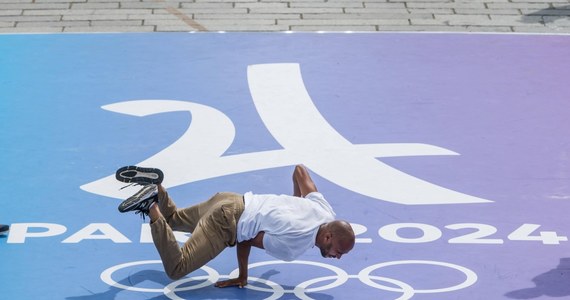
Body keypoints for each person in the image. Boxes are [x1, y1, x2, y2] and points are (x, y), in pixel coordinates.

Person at [116, 164, 355, 288]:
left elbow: (299, 170)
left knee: (173, 221)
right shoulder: (295, 245)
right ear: (327, 237)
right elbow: (246, 238)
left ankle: (157, 187)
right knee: (176, 268)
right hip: (225, 223)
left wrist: (295, 203)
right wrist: (242, 276)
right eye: (338, 251)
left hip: (230, 199)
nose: (338, 257)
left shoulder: (324, 210)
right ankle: (151, 205)